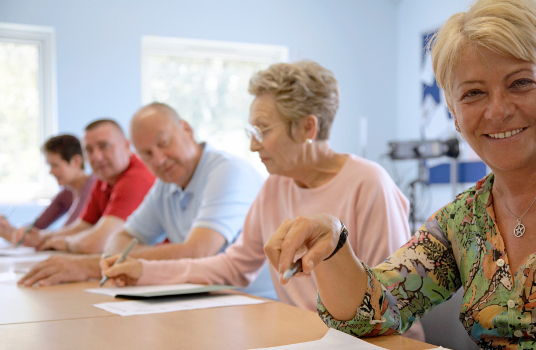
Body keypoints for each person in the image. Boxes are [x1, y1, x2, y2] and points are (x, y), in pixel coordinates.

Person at [262, 0, 536, 348]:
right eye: (474, 93)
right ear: (452, 110)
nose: (497, 111)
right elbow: (370, 315)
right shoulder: (463, 222)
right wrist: (334, 242)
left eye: (520, 83)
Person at [101, 61, 425, 341]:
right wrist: (143, 271)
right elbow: (234, 266)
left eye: (263, 130)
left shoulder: (369, 184)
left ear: (307, 127)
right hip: (305, 336)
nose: (254, 146)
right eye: (251, 131)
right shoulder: (275, 186)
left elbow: (391, 301)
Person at [18, 103, 265, 289]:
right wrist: (120, 260)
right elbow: (118, 241)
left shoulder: (227, 171)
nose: (157, 159)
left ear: (186, 129)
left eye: (164, 143)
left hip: (252, 302)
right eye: (146, 154)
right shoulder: (165, 184)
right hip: (201, 297)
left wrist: (97, 265)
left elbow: (199, 250)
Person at [14, 119, 155, 254]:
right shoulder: (103, 178)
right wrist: (43, 237)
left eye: (104, 146)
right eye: (89, 150)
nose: (96, 157)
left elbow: (99, 242)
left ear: (126, 145)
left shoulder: (136, 178)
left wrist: (64, 243)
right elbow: (82, 227)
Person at [0, 135, 96, 241]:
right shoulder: (66, 193)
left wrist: (34, 237)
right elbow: (35, 227)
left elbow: (69, 232)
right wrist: (7, 229)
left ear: (76, 161)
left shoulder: (93, 187)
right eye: (49, 166)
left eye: (55, 165)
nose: (50, 172)